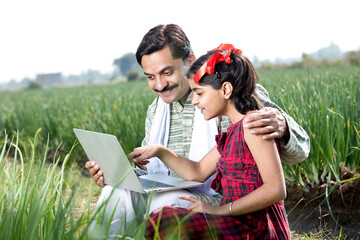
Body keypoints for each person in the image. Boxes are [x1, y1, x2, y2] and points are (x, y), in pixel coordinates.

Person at [85, 24, 309, 236]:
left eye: (167, 72)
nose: (159, 85)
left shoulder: (233, 96)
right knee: (113, 194)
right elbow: (161, 173)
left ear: (189, 61)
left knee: (165, 206)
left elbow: (300, 150)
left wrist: (284, 127)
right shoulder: (156, 111)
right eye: (151, 77)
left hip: (221, 204)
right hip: (170, 192)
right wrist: (117, 176)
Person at [129, 44, 291, 239]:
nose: (195, 101)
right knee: (165, 219)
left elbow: (276, 190)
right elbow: (196, 172)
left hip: (258, 227)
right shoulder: (230, 135)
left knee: (165, 221)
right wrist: (159, 151)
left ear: (226, 89)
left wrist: (219, 211)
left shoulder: (252, 125)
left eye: (199, 93)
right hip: (236, 220)